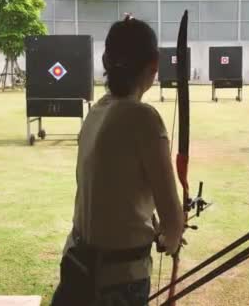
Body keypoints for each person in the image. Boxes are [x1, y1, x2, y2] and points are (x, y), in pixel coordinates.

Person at [50, 16, 185, 306]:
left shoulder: (96, 112)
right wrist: (170, 237)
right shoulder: (144, 118)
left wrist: (157, 225)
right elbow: (173, 222)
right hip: (117, 283)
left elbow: (110, 192)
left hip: (77, 269)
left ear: (106, 61)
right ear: (154, 64)